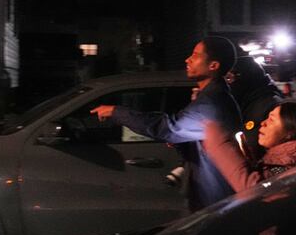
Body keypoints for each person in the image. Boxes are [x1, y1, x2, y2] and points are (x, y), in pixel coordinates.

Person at [92, 36, 241, 211]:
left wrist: (116, 112)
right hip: (212, 195)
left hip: (215, 200)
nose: (187, 59)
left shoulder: (211, 104)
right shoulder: (212, 98)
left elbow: (168, 128)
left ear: (213, 65)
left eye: (195, 55)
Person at [203, 100, 296, 193]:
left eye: (271, 119)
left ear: (290, 132)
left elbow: (258, 192)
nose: (263, 123)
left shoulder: (291, 165)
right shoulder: (289, 159)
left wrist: (219, 142)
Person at [226, 55, 283, 163]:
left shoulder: (271, 104)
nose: (227, 84)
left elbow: (279, 148)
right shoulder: (243, 102)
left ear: (245, 77)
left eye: (229, 78)